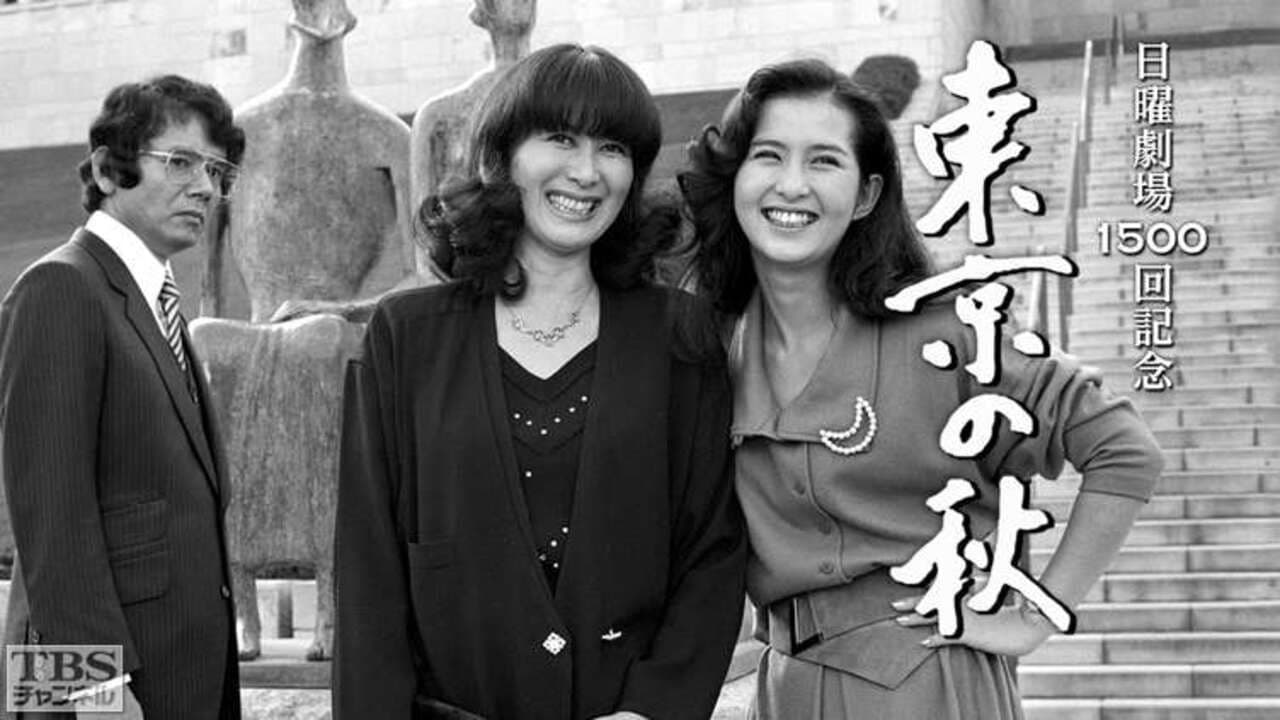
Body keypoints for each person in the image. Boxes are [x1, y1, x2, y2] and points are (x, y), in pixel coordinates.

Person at [680, 58, 1163, 719]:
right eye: (769, 155)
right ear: (735, 177)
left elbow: (1125, 450)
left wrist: (1035, 615)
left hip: (924, 681)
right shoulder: (714, 342)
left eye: (824, 161)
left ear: (866, 195)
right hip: (786, 685)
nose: (792, 184)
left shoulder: (948, 328)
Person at [333, 43, 747, 720]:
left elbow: (713, 549)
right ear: (503, 156)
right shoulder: (407, 336)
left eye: (612, 148)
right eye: (559, 138)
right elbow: (367, 569)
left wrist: (653, 709)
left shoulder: (681, 333)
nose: (585, 172)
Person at [0, 75, 244, 719]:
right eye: (181, 161)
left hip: (179, 675)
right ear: (109, 170)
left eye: (217, 171)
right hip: (103, 693)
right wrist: (94, 691)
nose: (205, 187)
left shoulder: (157, 303)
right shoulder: (59, 288)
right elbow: (50, 512)